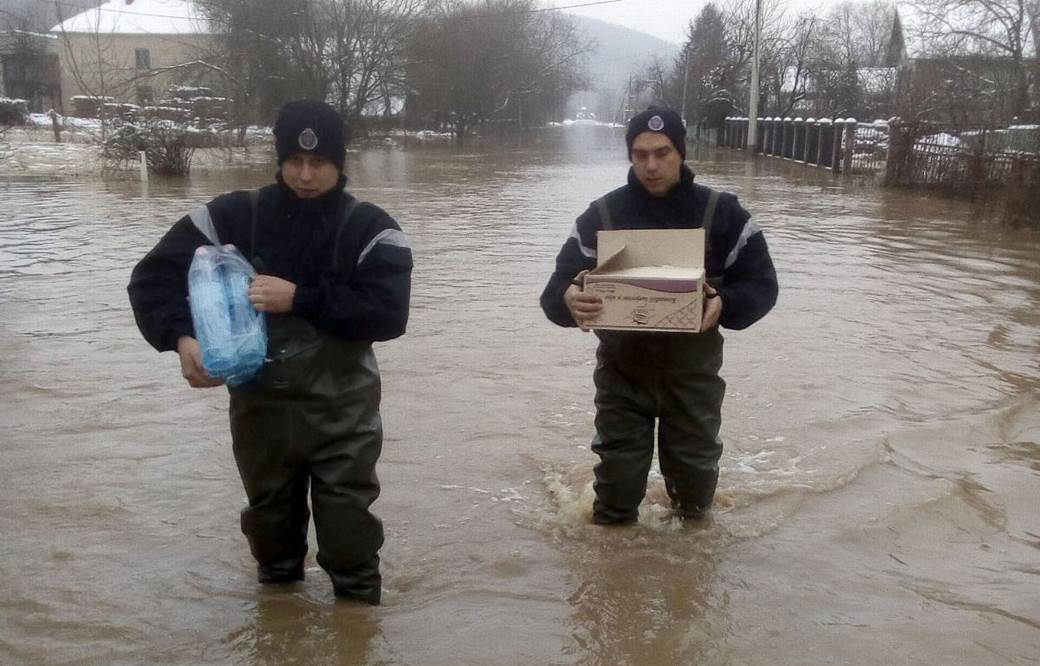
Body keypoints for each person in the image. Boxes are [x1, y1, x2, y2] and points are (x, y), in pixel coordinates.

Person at [128, 99, 412, 604]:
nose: (305, 175)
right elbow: (151, 279)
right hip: (259, 414)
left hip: (343, 416)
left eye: (319, 163)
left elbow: (389, 314)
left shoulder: (372, 227)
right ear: (278, 160)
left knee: (350, 540)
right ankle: (280, 630)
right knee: (272, 546)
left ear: (339, 164)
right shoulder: (232, 216)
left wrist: (300, 298)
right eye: (294, 162)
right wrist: (181, 337)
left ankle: (357, 631)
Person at [540, 106, 778, 525]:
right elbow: (555, 289)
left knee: (695, 499)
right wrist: (568, 298)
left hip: (693, 378)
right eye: (640, 154)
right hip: (621, 376)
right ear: (630, 157)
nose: (651, 165)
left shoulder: (724, 214)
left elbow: (763, 286)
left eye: (662, 152)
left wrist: (724, 302)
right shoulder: (603, 216)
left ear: (681, 152)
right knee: (615, 495)